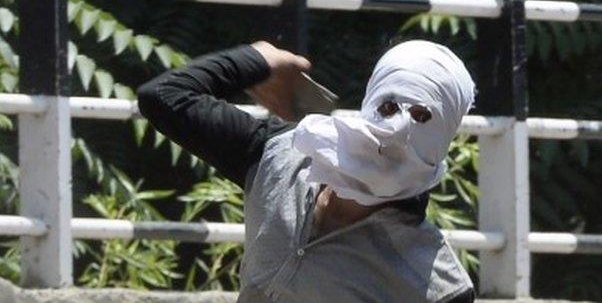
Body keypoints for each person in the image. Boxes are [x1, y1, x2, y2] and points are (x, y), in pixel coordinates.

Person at [137, 39, 477, 302]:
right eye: (388, 107)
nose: (398, 129)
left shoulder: (438, 285)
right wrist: (258, 60)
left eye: (422, 117)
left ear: (443, 140)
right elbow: (164, 97)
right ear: (369, 104)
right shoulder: (284, 155)